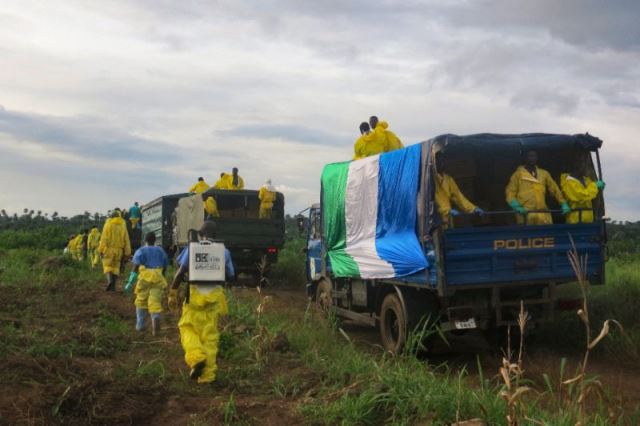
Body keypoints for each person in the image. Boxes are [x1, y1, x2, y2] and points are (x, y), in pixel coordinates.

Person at [168, 221, 235, 384]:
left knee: (187, 328)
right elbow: (231, 276)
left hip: (195, 299)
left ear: (201, 234)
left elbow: (180, 272)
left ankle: (196, 357)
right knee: (210, 338)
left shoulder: (193, 248)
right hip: (213, 300)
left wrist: (172, 292)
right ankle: (207, 376)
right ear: (215, 235)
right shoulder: (224, 251)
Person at [506, 150, 570, 225]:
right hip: (525, 214)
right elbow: (510, 193)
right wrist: (516, 206)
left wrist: (563, 203)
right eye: (530, 156)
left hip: (542, 213)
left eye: (534, 156)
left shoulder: (544, 173)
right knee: (528, 235)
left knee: (545, 235)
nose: (532, 158)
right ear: (525, 158)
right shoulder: (517, 175)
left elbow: (555, 189)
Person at [124, 232, 169, 335]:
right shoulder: (160, 250)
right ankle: (155, 329)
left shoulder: (141, 251)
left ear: (145, 240)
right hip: (158, 276)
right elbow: (165, 265)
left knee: (141, 300)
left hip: (145, 277)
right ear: (155, 240)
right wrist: (162, 277)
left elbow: (135, 268)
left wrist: (130, 282)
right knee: (155, 302)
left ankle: (140, 326)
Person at [435, 155, 484, 228]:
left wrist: (473, 208)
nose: (442, 163)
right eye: (439, 161)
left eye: (443, 161)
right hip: (435, 220)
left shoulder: (448, 179)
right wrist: (446, 211)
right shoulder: (431, 179)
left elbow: (459, 197)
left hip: (447, 219)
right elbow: (431, 201)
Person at [99, 210, 132, 292]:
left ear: (111, 217)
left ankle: (109, 281)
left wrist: (101, 250)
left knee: (107, 266)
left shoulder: (107, 225)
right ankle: (113, 287)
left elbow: (103, 238)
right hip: (119, 250)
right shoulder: (123, 226)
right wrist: (127, 252)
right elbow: (126, 240)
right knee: (116, 268)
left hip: (108, 249)